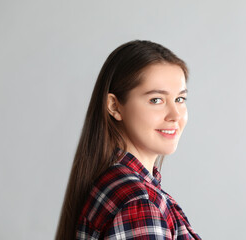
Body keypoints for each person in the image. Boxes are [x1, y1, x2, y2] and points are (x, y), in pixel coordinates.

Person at [55, 40, 202, 240]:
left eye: (180, 99)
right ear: (115, 106)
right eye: (156, 100)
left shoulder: (119, 185)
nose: (175, 115)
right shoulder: (139, 203)